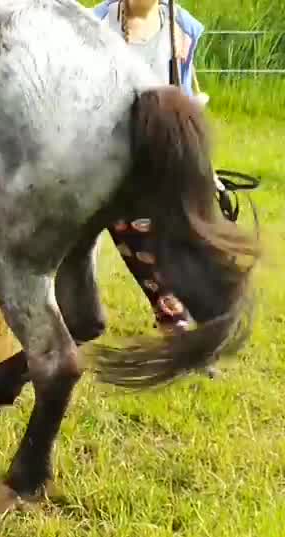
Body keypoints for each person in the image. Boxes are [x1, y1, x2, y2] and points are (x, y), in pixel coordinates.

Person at [92, 0, 211, 342]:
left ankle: (183, 314)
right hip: (101, 149)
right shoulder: (95, 23)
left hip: (157, 153)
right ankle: (174, 317)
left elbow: (182, 94)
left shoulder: (183, 30)